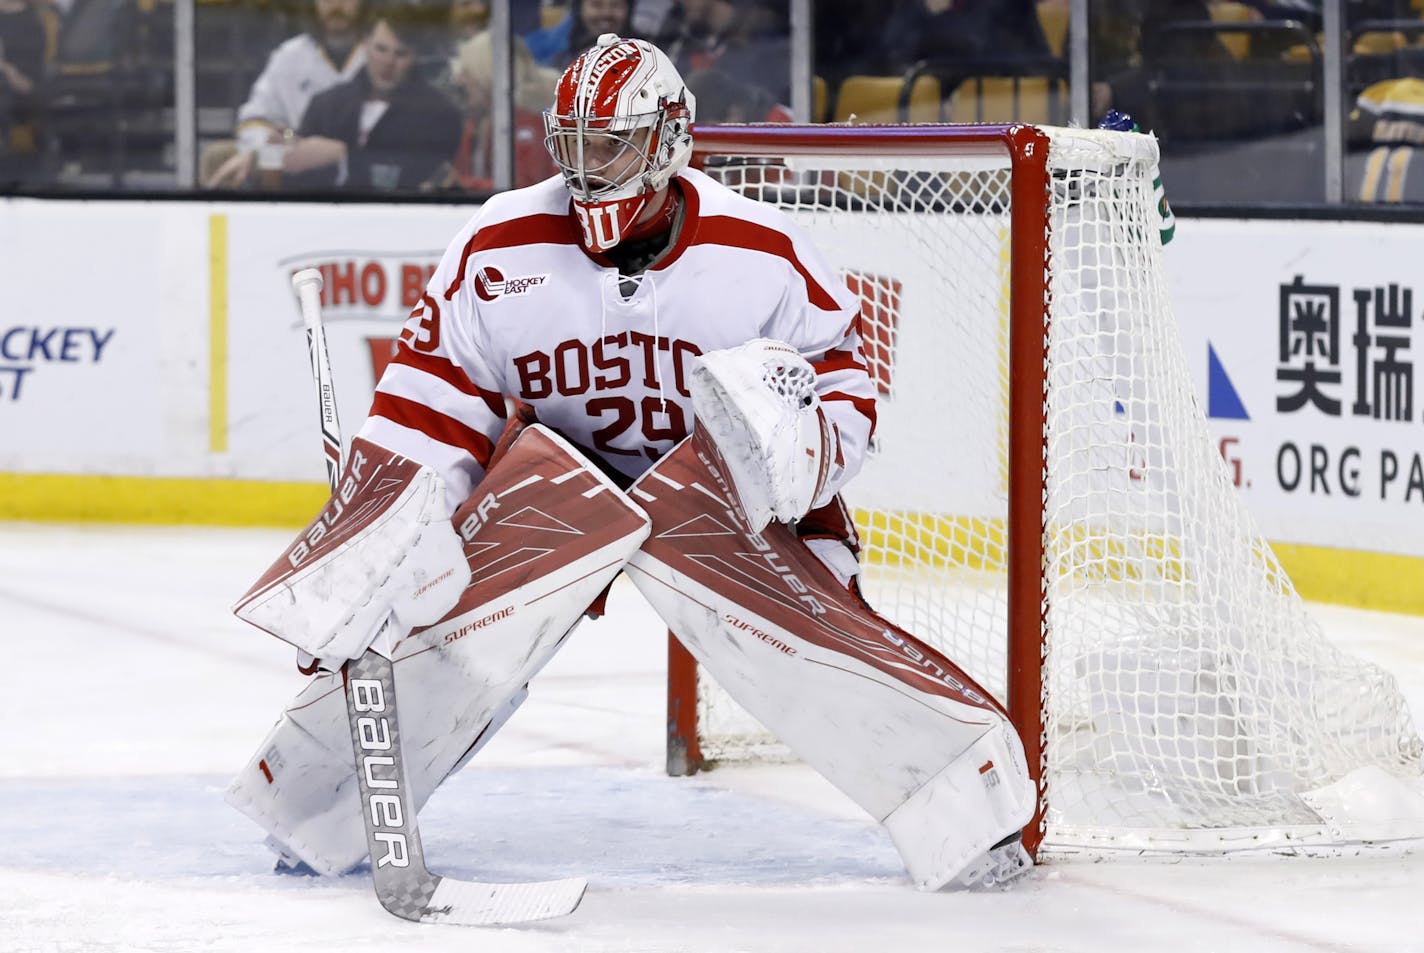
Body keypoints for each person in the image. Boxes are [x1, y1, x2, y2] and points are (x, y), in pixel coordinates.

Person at [226, 33, 1035, 894]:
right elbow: (428, 409)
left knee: (803, 654)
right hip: (560, 486)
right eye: (571, 142)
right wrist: (374, 552)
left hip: (729, 494)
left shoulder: (761, 252)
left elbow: (845, 390)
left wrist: (799, 457)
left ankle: (968, 804)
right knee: (437, 612)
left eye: (609, 142)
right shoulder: (498, 246)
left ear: (669, 140)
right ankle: (315, 799)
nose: (585, 164)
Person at [278, 0, 463, 191]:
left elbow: (420, 172)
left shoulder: (438, 113)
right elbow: (296, 176)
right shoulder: (325, 105)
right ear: (365, 44)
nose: (388, 62)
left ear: (415, 55)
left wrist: (343, 155)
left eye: (401, 54)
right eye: (381, 49)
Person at [201, 0, 368, 189]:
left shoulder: (381, 55)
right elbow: (255, 121)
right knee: (218, 156)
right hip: (294, 157)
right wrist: (288, 139)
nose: (336, 5)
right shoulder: (290, 55)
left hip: (363, 162)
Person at [439, 29, 559, 192]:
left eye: (467, 72)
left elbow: (527, 192)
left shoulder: (528, 126)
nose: (460, 80)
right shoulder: (478, 121)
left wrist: (464, 185)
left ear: (486, 74)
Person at [524, 0, 632, 69]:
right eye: (596, 5)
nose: (606, 13)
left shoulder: (645, 52)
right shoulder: (560, 58)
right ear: (580, 9)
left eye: (615, 5)